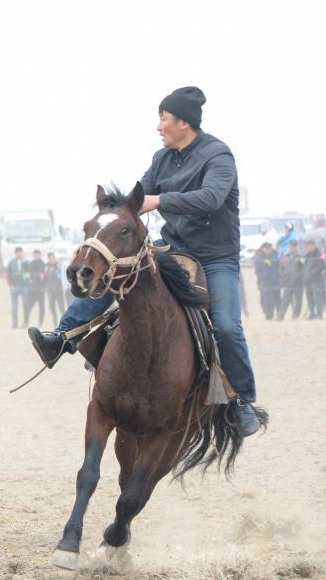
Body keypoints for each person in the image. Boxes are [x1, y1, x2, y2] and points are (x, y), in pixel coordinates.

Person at [28, 86, 261, 436]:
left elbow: (211, 198)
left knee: (227, 326)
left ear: (184, 122)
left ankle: (242, 401)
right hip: (172, 246)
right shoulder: (161, 158)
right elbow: (138, 198)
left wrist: (160, 201)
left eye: (163, 118)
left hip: (215, 257)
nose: (158, 126)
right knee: (118, 275)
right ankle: (61, 339)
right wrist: (112, 210)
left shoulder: (218, 156)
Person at [253, 242, 282, 321]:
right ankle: (268, 315)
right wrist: (261, 278)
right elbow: (257, 271)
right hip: (264, 283)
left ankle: (279, 315)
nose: (268, 250)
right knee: (265, 301)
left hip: (275, 282)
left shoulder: (276, 256)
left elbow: (281, 268)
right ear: (263, 249)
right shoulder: (259, 258)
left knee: (277, 299)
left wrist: (280, 278)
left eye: (270, 248)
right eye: (267, 248)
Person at [279, 241, 305, 319]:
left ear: (296, 247)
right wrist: (283, 277)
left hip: (298, 283)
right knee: (285, 300)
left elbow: (304, 268)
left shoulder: (301, 257)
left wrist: (300, 277)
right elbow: (281, 268)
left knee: (298, 301)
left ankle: (296, 315)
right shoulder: (285, 256)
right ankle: (280, 315)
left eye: (294, 246)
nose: (292, 248)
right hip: (288, 282)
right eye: (291, 246)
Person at [5, 247, 29, 328]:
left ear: (22, 253)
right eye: (17, 252)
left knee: (26, 305)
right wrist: (10, 284)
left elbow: (29, 272)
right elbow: (7, 274)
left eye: (20, 252)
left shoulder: (26, 262)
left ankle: (25, 323)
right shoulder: (11, 262)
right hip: (14, 287)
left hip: (24, 286)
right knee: (14, 306)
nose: (19, 254)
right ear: (15, 253)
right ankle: (15, 324)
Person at [43, 253, 66, 327]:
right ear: (48, 259)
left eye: (54, 258)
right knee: (52, 307)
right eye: (51, 258)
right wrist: (50, 272)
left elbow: (63, 275)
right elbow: (45, 278)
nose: (53, 259)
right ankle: (55, 322)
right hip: (50, 291)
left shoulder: (58, 265)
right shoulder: (46, 266)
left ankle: (64, 321)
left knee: (61, 306)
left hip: (59, 290)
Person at [303, 239, 324, 320]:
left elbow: (321, 266)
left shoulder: (319, 254)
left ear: (314, 245)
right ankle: (312, 314)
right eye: (308, 246)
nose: (310, 247)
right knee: (310, 298)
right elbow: (304, 266)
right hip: (307, 281)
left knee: (318, 298)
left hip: (316, 281)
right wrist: (305, 275)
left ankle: (319, 315)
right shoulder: (307, 255)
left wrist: (312, 273)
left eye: (311, 245)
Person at [23, 249, 46, 326]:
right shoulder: (30, 264)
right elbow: (25, 274)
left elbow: (45, 276)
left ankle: (40, 323)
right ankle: (25, 322)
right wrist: (27, 282)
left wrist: (44, 286)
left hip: (40, 290)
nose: (36, 256)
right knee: (27, 306)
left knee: (41, 307)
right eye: (35, 255)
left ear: (39, 255)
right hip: (31, 290)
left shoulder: (43, 264)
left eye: (37, 255)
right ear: (33, 255)